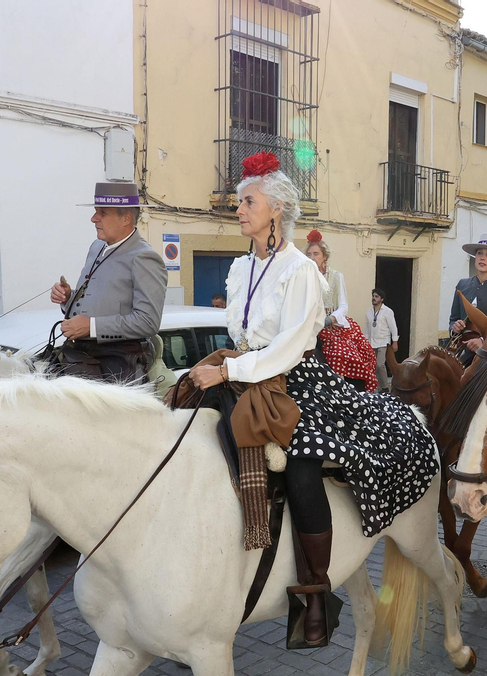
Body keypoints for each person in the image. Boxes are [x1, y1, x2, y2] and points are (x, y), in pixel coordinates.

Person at [185, 151, 438, 649]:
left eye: (248, 201)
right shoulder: (240, 268)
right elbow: (243, 331)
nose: (239, 209)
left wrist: (230, 369)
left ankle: (316, 594)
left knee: (300, 465)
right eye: (239, 201)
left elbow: (289, 345)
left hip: (295, 380)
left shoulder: (300, 269)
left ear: (275, 209)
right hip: (244, 372)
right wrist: (221, 367)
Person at [47, 181, 166, 381]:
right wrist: (67, 298)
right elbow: (96, 302)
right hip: (80, 354)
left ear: (126, 218)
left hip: (117, 362)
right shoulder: (96, 247)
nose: (94, 219)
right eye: (96, 211)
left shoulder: (144, 258)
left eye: (102, 213)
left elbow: (148, 322)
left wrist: (91, 327)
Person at [304, 231, 377, 391]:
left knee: (352, 352)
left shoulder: (336, 276)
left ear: (325, 257)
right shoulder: (303, 278)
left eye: (316, 254)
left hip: (332, 325)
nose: (312, 257)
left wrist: (330, 319)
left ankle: (355, 392)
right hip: (310, 325)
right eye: (309, 254)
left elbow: (343, 306)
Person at [366, 288, 400, 391]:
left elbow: (393, 327)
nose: (374, 298)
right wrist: (366, 341)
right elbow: (367, 327)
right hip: (372, 342)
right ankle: (379, 386)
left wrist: (395, 341)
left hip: (383, 342)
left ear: (382, 299)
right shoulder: (369, 311)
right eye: (373, 296)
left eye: (376, 297)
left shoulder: (388, 311)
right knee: (374, 365)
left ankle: (385, 386)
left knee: (380, 364)